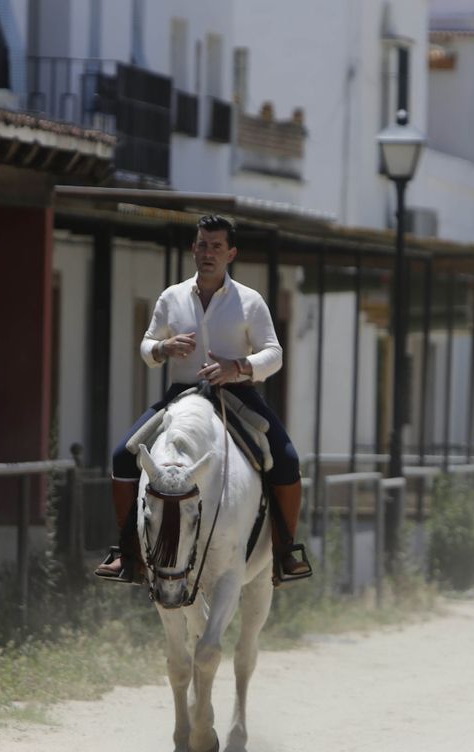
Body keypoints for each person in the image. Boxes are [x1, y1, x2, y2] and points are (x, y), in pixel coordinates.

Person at [95, 214, 312, 585]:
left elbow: (274, 354)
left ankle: (284, 550)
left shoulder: (250, 301)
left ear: (231, 253)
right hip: (182, 395)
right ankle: (128, 551)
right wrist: (163, 347)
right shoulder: (172, 296)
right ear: (193, 249)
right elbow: (147, 346)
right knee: (121, 454)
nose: (207, 253)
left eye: (216, 246)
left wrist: (239, 366)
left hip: (237, 394)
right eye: (202, 245)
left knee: (287, 459)